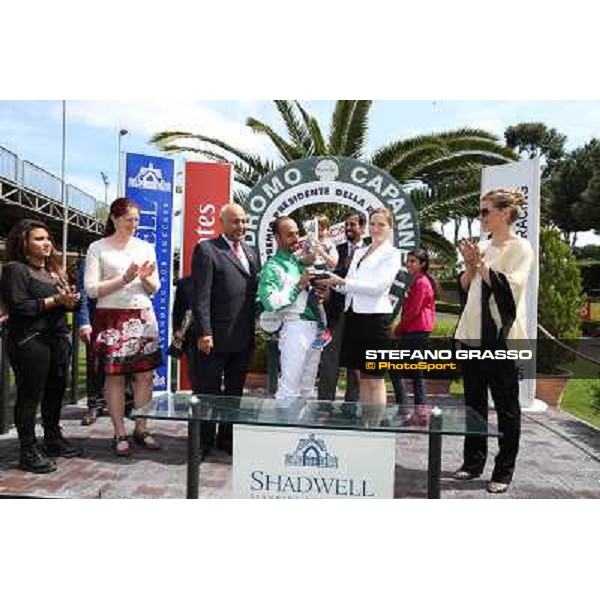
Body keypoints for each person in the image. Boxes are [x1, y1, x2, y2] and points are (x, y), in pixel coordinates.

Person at [452, 188, 534, 494]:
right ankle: (472, 463)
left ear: (504, 213)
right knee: (473, 404)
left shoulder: (521, 247)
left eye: (485, 211)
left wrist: (481, 265)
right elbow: (465, 285)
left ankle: (504, 470)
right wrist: (472, 263)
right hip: (472, 335)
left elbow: (510, 289)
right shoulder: (483, 246)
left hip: (501, 340)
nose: (481, 216)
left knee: (506, 407)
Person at [0, 219, 82, 473]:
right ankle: (27, 450)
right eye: (38, 239)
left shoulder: (55, 271)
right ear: (23, 242)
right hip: (29, 340)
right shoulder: (15, 269)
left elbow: (70, 305)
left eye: (48, 238)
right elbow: (19, 307)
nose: (46, 243)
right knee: (29, 396)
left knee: (55, 393)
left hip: (57, 340)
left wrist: (70, 301)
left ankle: (53, 439)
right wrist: (55, 300)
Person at [84, 197, 162, 457]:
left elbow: (155, 287)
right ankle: (119, 432)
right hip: (111, 317)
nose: (134, 224)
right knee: (114, 376)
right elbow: (92, 290)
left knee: (145, 376)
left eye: (137, 220)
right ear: (115, 219)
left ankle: (142, 427)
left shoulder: (146, 247)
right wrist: (124, 278)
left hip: (142, 314)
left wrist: (145, 278)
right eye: (129, 219)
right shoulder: (98, 247)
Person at [191, 204, 259, 458]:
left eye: (243, 221)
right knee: (208, 393)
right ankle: (204, 441)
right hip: (215, 338)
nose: (240, 226)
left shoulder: (252, 253)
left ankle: (227, 439)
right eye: (235, 222)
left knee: (234, 394)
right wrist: (204, 332)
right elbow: (201, 296)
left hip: (242, 338)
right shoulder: (207, 249)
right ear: (221, 222)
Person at [322, 208, 402, 408]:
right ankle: (367, 424)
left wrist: (342, 282)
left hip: (376, 320)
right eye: (373, 224)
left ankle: (375, 428)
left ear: (390, 228)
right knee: (362, 378)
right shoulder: (359, 252)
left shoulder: (392, 254)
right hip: (354, 317)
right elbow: (350, 284)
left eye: (381, 224)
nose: (376, 228)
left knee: (375, 379)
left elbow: (377, 288)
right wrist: (328, 282)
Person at [258, 216, 325, 408]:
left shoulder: (300, 261)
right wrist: (299, 285)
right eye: (290, 235)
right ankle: (283, 436)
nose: (296, 238)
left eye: (297, 233)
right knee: (289, 389)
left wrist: (322, 292)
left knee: (306, 390)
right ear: (277, 238)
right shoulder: (272, 267)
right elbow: (270, 302)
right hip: (295, 328)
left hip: (316, 330)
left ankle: (302, 435)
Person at [317, 212, 365, 401]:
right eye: (346, 225)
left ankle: (351, 407)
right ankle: (324, 406)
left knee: (355, 364)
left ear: (362, 227)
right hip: (336, 314)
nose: (348, 228)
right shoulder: (337, 250)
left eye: (352, 225)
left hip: (359, 314)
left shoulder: (370, 252)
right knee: (330, 359)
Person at [390, 249, 438, 419]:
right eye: (408, 261)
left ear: (422, 264)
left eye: (413, 261)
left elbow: (413, 311)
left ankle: (404, 407)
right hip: (418, 329)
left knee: (394, 366)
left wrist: (398, 329)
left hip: (416, 330)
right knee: (415, 369)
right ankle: (420, 408)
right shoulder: (418, 281)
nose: (409, 264)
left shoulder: (421, 283)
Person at [303, 214, 338, 350]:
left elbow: (333, 263)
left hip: (324, 276)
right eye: (315, 228)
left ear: (327, 229)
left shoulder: (329, 244)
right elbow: (304, 260)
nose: (318, 231)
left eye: (321, 228)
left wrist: (321, 251)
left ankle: (323, 331)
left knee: (314, 299)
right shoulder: (308, 242)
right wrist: (309, 253)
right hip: (311, 274)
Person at [170, 275, 198, 392]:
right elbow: (177, 309)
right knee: (194, 372)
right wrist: (177, 330)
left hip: (215, 334)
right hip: (191, 335)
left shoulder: (219, 280)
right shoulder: (184, 283)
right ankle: (197, 401)